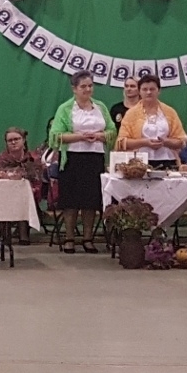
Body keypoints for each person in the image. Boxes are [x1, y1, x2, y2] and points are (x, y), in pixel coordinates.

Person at [50, 71, 114, 253]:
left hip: (94, 158)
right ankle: (69, 238)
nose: (87, 89)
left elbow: (112, 131)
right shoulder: (65, 108)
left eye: (90, 86)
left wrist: (99, 136)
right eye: (83, 86)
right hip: (72, 159)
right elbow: (55, 135)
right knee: (71, 201)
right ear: (74, 89)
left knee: (90, 201)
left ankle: (88, 238)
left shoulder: (100, 107)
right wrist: (80, 137)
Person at [116, 75, 186, 168]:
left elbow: (181, 141)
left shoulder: (170, 112)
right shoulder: (131, 114)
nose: (148, 92)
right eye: (144, 89)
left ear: (159, 91)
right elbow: (121, 142)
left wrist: (165, 142)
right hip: (138, 163)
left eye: (152, 89)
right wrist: (145, 142)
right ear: (139, 91)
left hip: (168, 161)